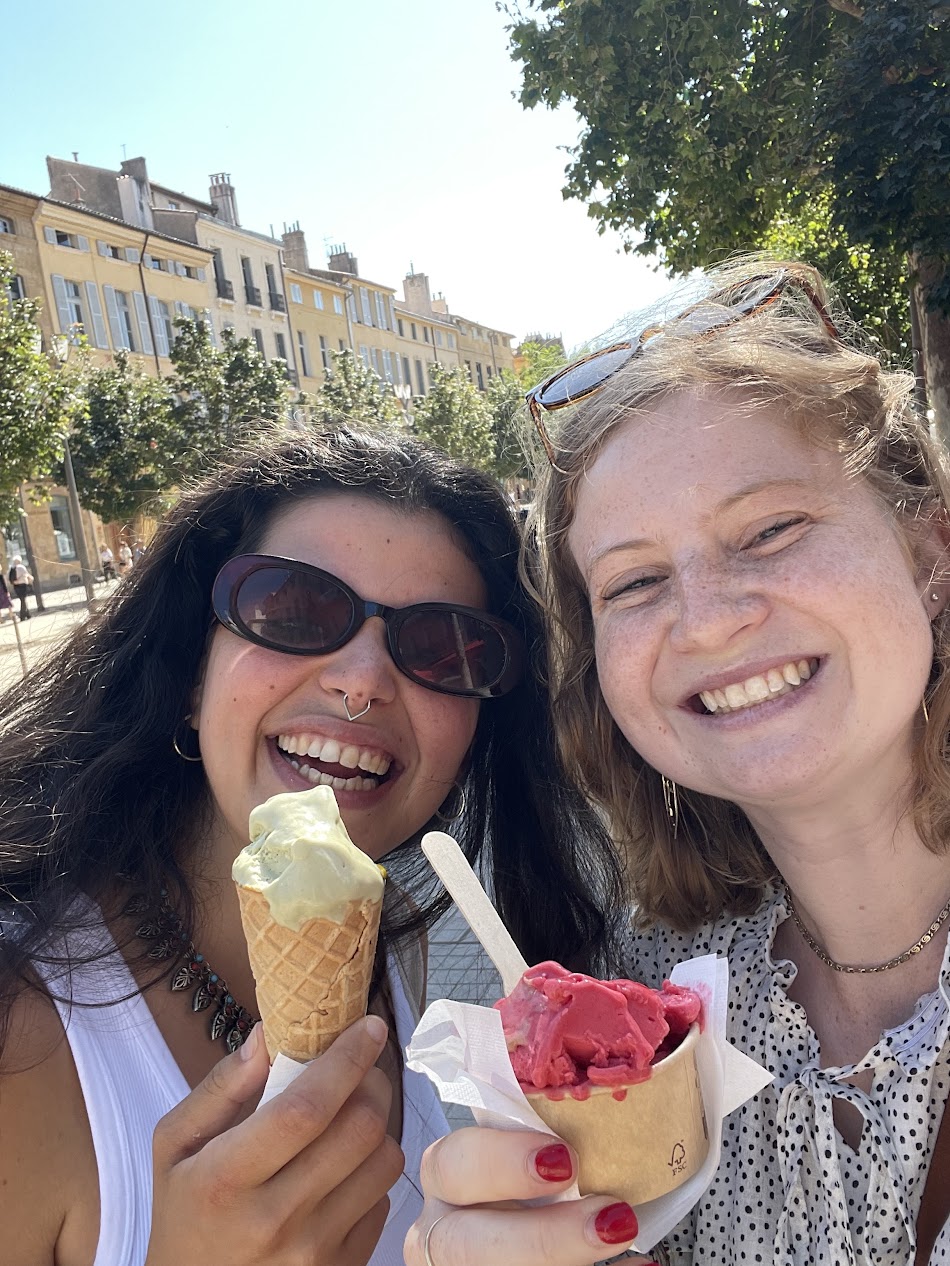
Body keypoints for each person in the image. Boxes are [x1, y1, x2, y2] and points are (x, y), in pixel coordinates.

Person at [409, 259, 950, 1266]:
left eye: (771, 529)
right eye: (636, 581)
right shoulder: (642, 1009)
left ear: (929, 550)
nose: (704, 621)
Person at [0, 425, 621, 1266]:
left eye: (443, 646)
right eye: (293, 609)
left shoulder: (400, 937)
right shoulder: (24, 1039)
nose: (362, 680)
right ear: (191, 670)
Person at [8, 554, 32, 619]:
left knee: (22, 600)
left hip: (16, 586)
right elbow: (27, 575)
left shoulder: (12, 568)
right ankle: (22, 616)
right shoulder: (21, 567)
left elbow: (10, 579)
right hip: (23, 585)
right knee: (23, 600)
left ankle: (28, 614)